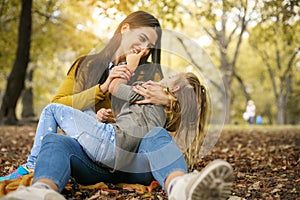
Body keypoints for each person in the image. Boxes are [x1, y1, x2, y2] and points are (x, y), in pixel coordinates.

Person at [2, 71, 234, 199]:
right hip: (112, 159)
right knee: (56, 141)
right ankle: (42, 192)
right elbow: (133, 124)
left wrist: (166, 97)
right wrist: (107, 119)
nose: (164, 76)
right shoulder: (158, 110)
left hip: (125, 160)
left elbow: (115, 88)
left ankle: (181, 188)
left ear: (172, 90)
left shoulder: (147, 91)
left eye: (170, 77)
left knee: (52, 110)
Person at [0, 10, 168, 181]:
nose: (145, 49)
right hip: (88, 154)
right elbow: (59, 103)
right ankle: (35, 171)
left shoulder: (150, 74)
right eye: (142, 38)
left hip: (128, 160)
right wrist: (102, 88)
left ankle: (32, 166)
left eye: (150, 46)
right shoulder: (86, 66)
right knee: (56, 137)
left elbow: (151, 120)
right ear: (125, 29)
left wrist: (166, 99)